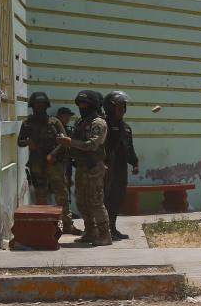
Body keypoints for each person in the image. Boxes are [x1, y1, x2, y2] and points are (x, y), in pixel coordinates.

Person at [54, 90, 112, 246]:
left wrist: (70, 142)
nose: (82, 107)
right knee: (81, 201)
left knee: (95, 201)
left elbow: (92, 145)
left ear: (92, 105)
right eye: (80, 104)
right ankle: (91, 232)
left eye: (85, 104)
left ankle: (105, 235)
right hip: (81, 166)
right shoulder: (81, 121)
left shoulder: (98, 123)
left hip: (94, 167)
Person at [18, 93, 81, 234]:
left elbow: (65, 141)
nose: (39, 108)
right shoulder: (27, 123)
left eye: (42, 106)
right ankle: (45, 225)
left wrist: (52, 154)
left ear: (46, 106)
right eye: (36, 106)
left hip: (54, 163)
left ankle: (67, 224)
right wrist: (28, 142)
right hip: (37, 164)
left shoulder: (54, 122)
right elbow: (19, 141)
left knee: (62, 195)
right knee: (41, 195)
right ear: (32, 107)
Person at [101, 91, 139, 241]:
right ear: (109, 107)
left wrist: (135, 163)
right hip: (106, 168)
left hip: (121, 168)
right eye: (119, 106)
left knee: (117, 199)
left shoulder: (126, 127)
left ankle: (113, 227)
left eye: (124, 106)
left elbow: (129, 148)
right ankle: (101, 229)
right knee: (105, 199)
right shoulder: (104, 124)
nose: (122, 109)